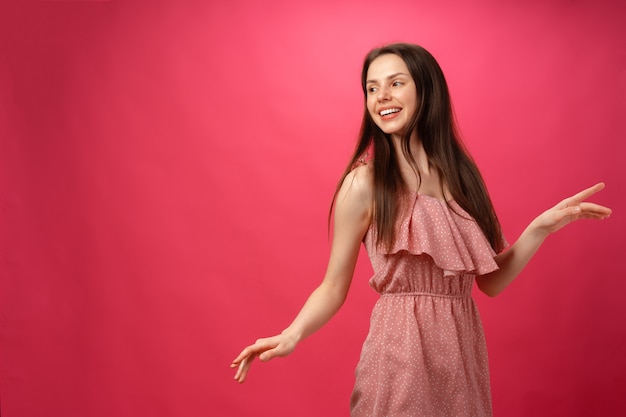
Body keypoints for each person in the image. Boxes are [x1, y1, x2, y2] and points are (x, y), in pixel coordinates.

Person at [230, 43, 612, 416]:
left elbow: (489, 282)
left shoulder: (462, 178)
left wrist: (540, 228)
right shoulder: (364, 185)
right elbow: (333, 286)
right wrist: (292, 334)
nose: (382, 96)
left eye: (396, 83)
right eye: (372, 88)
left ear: (427, 91)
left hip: (462, 358)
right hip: (400, 355)